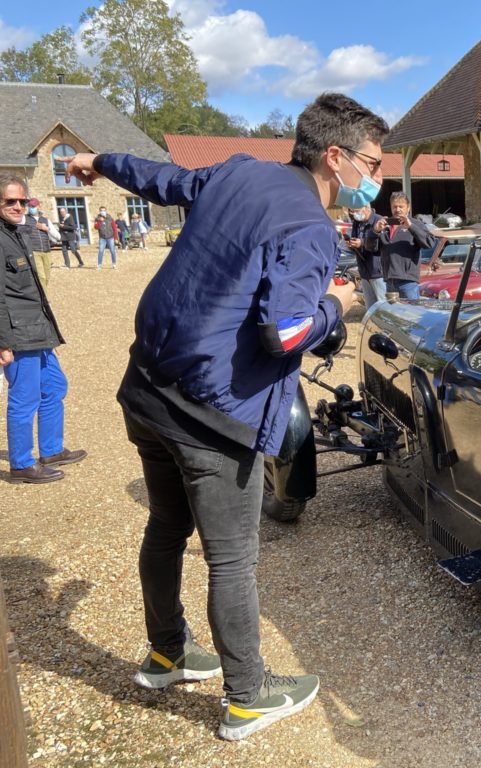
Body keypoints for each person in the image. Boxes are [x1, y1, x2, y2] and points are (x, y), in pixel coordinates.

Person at [58, 91, 384, 741]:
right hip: (213, 414)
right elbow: (284, 332)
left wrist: (98, 160)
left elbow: (163, 180)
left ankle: (167, 654)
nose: (377, 180)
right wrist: (335, 307)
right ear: (335, 156)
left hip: (147, 387)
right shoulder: (313, 227)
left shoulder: (240, 169)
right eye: (373, 164)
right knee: (232, 559)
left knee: (167, 524)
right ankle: (246, 696)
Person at [0, 176, 87, 484]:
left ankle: (50, 450)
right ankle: (21, 464)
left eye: (22, 201)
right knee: (24, 399)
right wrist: (3, 342)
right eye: (9, 201)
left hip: (39, 331)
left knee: (54, 387)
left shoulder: (17, 232)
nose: (17, 206)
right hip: (18, 335)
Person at [374, 190, 434, 299]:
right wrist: (375, 232)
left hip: (408, 282)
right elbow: (372, 249)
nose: (397, 210)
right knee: (394, 315)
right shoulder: (386, 226)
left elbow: (429, 243)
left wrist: (411, 227)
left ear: (408, 207)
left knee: (411, 314)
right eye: (395, 207)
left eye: (401, 206)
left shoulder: (416, 224)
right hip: (389, 281)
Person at [347, 204, 386, 308]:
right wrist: (351, 244)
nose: (354, 214)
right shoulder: (357, 223)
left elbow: (383, 243)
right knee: (371, 308)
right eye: (352, 211)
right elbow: (355, 240)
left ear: (366, 207)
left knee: (384, 306)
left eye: (356, 210)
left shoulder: (379, 220)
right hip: (364, 271)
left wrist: (362, 243)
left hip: (379, 271)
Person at [23, 198, 52, 289]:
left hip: (46, 250)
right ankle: (45, 300)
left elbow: (57, 236)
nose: (31, 208)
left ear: (39, 206)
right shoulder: (25, 219)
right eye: (30, 206)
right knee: (41, 277)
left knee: (47, 276)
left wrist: (46, 229)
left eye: (33, 206)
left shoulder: (45, 220)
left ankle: (42, 294)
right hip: (34, 251)